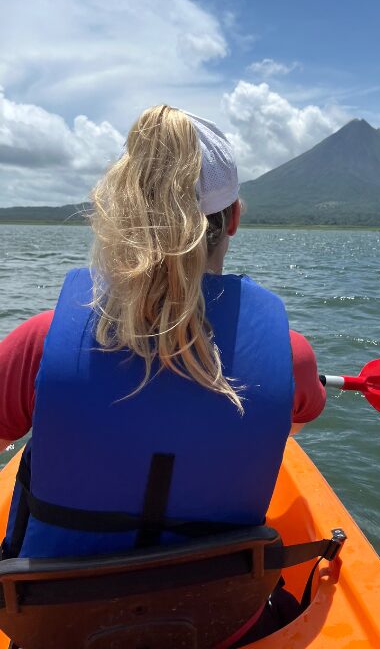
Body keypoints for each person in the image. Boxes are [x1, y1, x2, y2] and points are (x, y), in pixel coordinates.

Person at [0, 105, 326, 642]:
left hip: (53, 626)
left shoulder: (39, 342)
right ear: (235, 219)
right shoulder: (290, 356)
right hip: (222, 621)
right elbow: (304, 416)